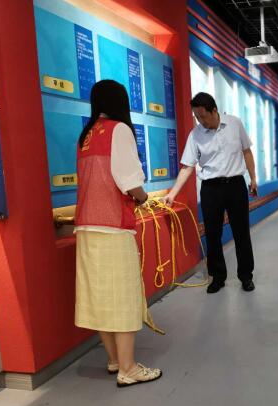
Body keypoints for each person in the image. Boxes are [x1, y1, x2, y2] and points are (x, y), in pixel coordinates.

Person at [75, 79, 162, 387]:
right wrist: (144, 198)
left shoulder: (86, 135)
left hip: (87, 227)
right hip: (112, 227)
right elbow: (129, 181)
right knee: (124, 296)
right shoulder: (119, 130)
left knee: (100, 296)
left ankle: (114, 360)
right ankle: (129, 368)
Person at [163, 92, 257, 294]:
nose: (200, 121)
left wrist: (253, 178)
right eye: (197, 117)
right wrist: (173, 193)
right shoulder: (195, 134)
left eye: (203, 116)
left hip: (236, 185)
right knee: (213, 234)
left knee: (241, 232)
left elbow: (247, 152)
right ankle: (217, 277)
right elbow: (187, 166)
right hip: (211, 189)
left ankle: (246, 276)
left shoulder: (234, 124)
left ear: (214, 110)